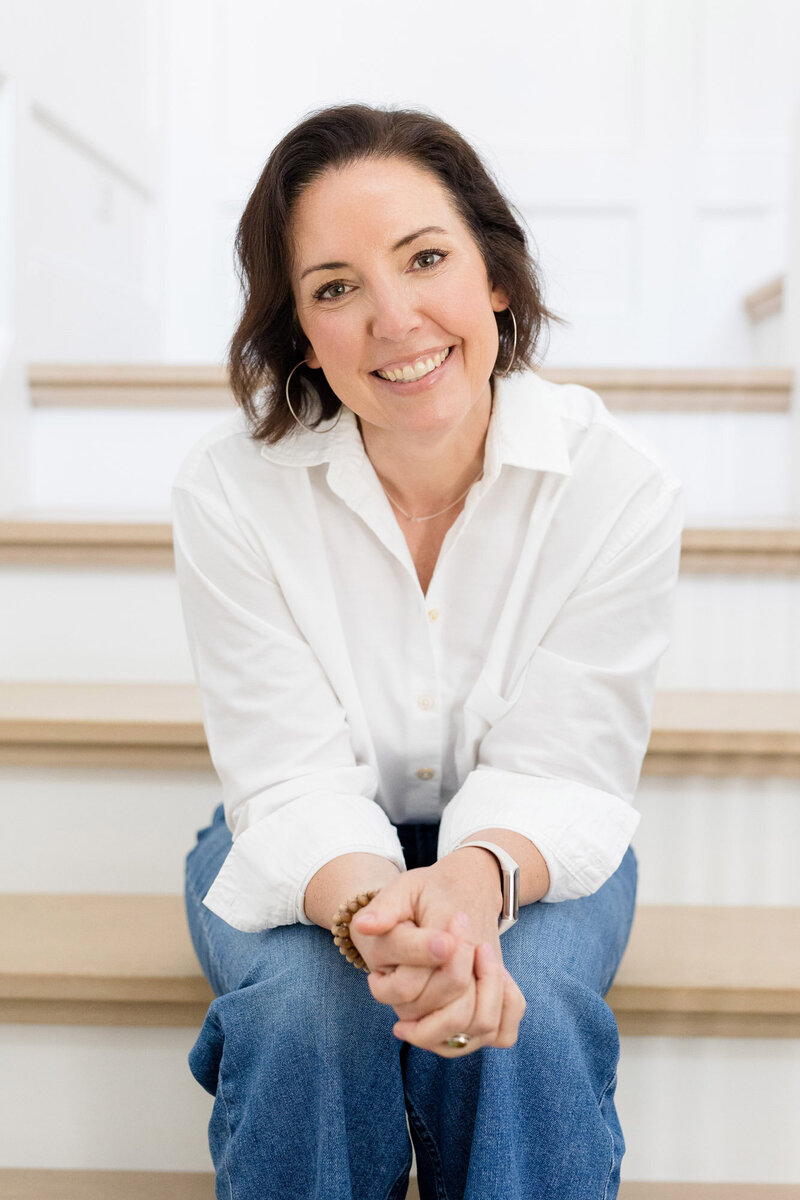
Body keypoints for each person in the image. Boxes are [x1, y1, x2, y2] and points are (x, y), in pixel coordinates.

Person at [173, 103, 683, 1200]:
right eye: (335, 288)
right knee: (306, 1015)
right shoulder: (228, 490)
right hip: (304, 840)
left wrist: (469, 885)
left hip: (529, 849)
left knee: (526, 1017)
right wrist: (382, 916)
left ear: (494, 273)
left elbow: (563, 767)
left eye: (425, 258)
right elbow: (288, 777)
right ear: (300, 332)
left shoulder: (617, 486)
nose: (394, 319)